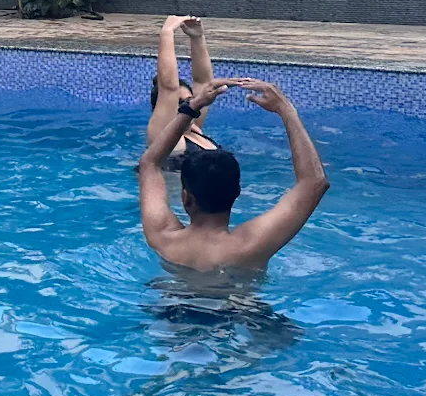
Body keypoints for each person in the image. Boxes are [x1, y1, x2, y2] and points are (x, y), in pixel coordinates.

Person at [139, 77, 330, 274]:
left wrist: (193, 106)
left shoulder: (163, 237)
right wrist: (286, 110)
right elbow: (314, 182)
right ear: (237, 192)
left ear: (186, 197)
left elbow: (149, 164)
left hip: (171, 303)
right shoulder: (249, 246)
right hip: (235, 305)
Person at [148, 14, 220, 165]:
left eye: (188, 100)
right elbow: (168, 88)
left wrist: (197, 37)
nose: (187, 106)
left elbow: (203, 82)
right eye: (178, 102)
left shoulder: (192, 128)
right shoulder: (164, 137)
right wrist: (167, 32)